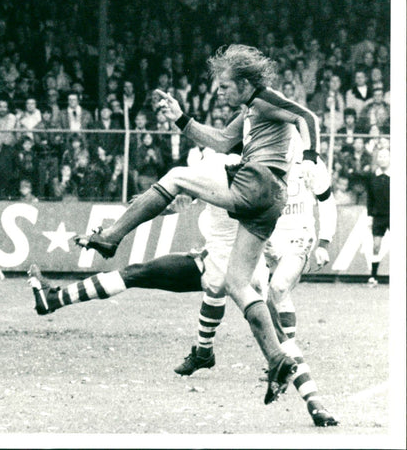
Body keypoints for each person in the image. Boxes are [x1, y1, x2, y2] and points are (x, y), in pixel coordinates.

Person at [74, 44, 320, 405]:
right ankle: (278, 358)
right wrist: (180, 118)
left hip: (257, 181)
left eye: (224, 85)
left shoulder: (266, 99)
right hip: (269, 202)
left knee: (176, 176)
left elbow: (307, 118)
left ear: (246, 82)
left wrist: (312, 157)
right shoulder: (251, 111)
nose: (219, 91)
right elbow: (220, 141)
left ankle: (111, 237)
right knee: (238, 284)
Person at [174, 150, 338, 427]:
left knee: (278, 288)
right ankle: (210, 352)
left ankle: (299, 381)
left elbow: (325, 199)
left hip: (289, 239)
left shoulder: (303, 160)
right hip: (256, 241)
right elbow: (208, 177)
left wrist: (324, 242)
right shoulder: (248, 157)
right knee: (228, 290)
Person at [366, 147, 390, 286]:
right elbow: (370, 198)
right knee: (376, 246)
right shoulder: (372, 177)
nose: (382, 159)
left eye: (385, 156)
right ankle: (373, 277)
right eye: (380, 156)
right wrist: (370, 216)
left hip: (395, 215)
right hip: (379, 216)